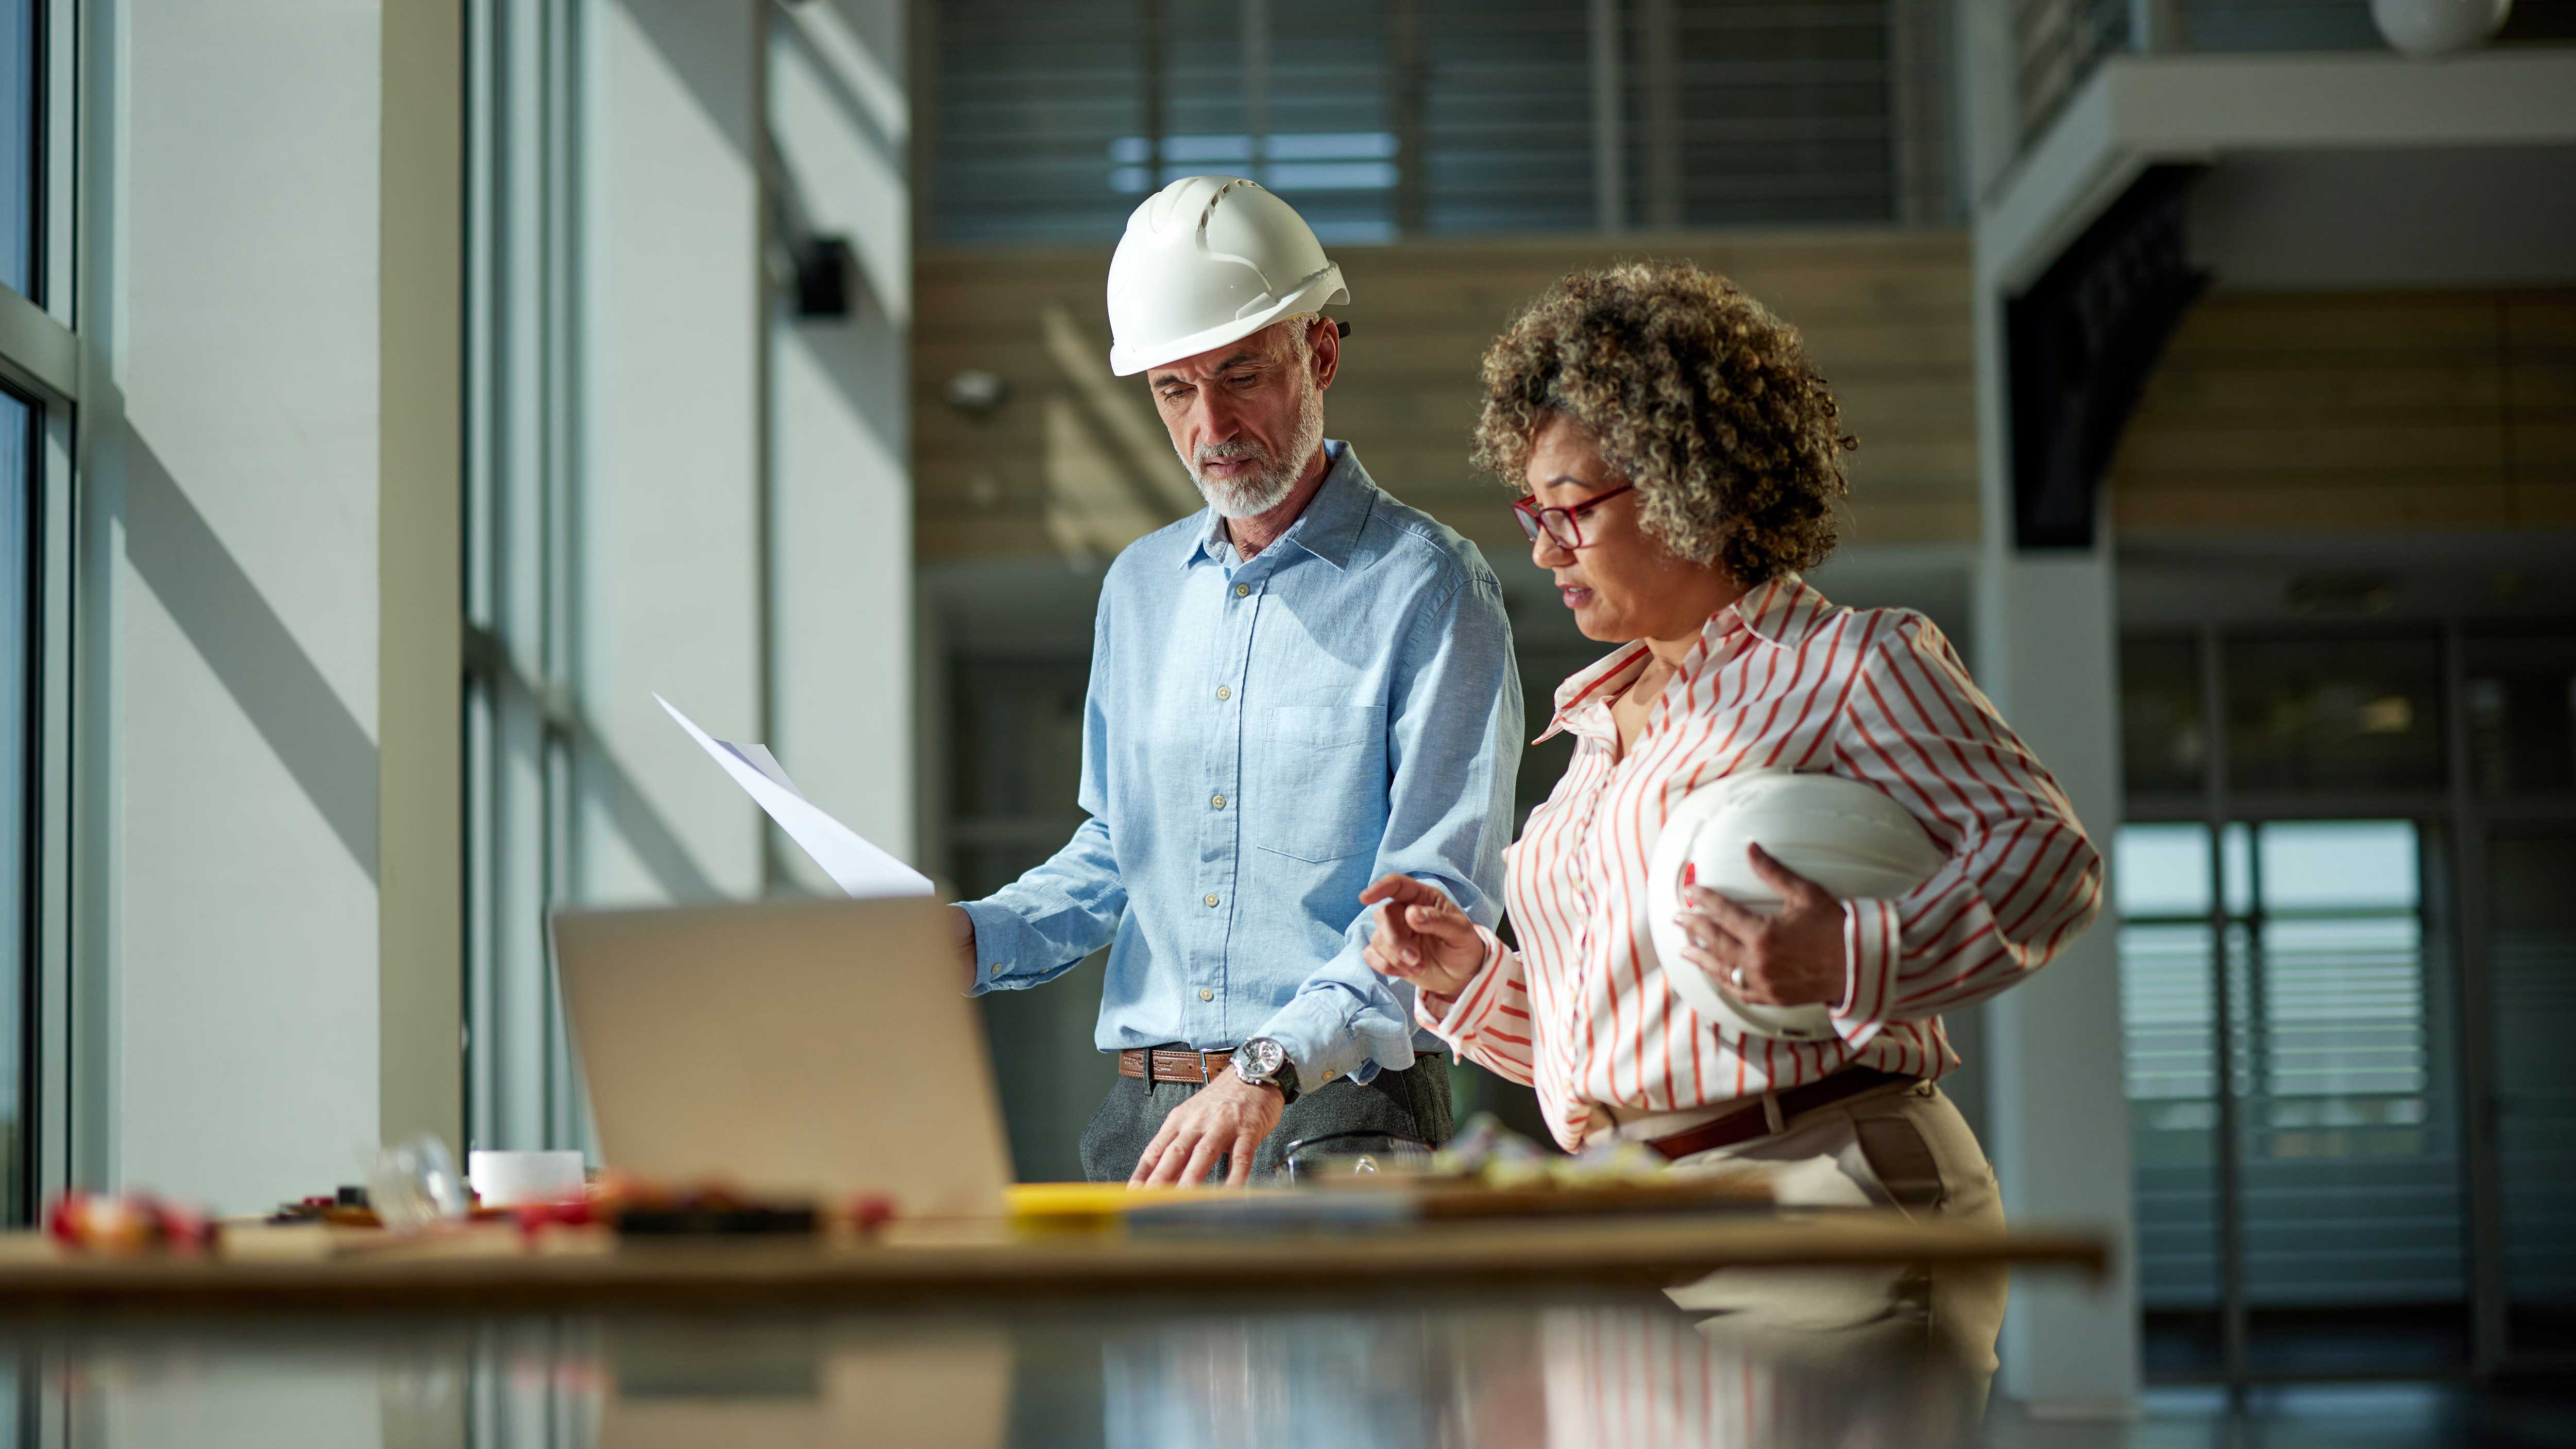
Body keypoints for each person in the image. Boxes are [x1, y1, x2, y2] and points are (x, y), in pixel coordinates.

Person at [1362, 261, 2103, 1379]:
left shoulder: (1852, 664)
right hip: (1625, 1224)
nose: (1542, 546)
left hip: (1828, 1200)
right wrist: (1469, 979)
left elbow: (2048, 860)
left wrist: (1850, 954)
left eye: (1568, 509)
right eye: (1531, 511)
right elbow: (1624, 1048)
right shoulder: (1595, 735)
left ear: (1683, 484)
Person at [953, 176, 1522, 1186]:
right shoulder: (1139, 591)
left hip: (1339, 1116)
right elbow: (1117, 854)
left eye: (1239, 375)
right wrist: (973, 940)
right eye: (1174, 390)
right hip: (1147, 1122)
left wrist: (1270, 1063)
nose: (1210, 423)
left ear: (1321, 354)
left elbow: (1434, 898)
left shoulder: (1430, 587)